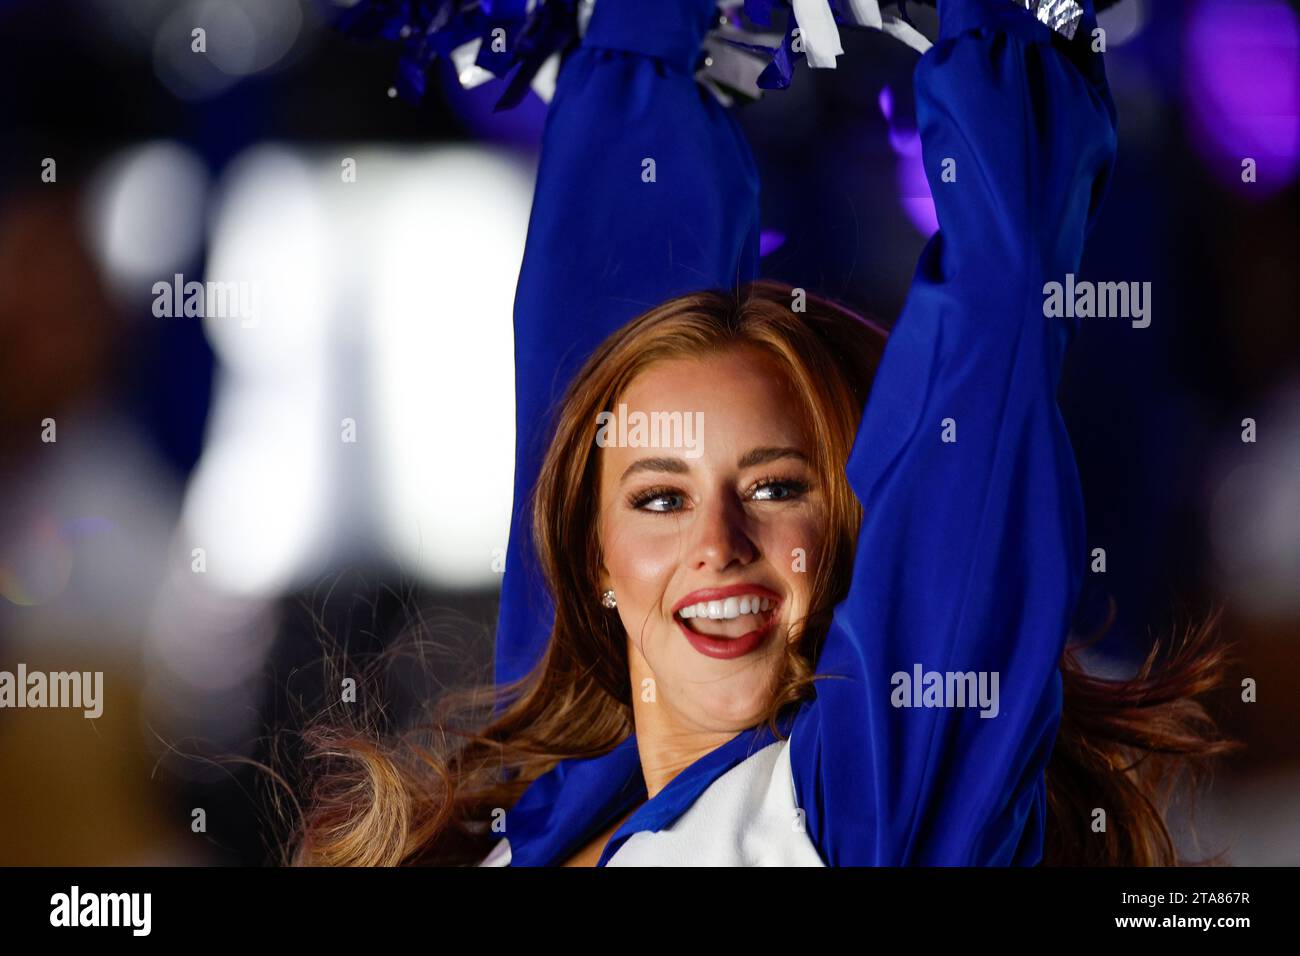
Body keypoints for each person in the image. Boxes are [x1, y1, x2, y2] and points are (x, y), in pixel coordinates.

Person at [287, 0, 1237, 867]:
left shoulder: (855, 823)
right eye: (660, 499)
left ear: (860, 539)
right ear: (594, 563)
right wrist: (641, 44)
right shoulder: (539, 817)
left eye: (778, 487)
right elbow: (586, 342)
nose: (717, 548)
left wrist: (998, 31)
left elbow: (988, 369)